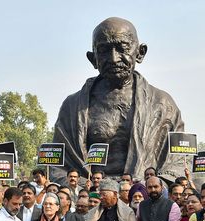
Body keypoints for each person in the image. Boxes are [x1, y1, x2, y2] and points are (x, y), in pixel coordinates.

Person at [52, 17, 184, 180]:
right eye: (104, 50)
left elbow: (177, 163)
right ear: (93, 59)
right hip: (89, 192)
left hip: (143, 193)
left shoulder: (162, 104)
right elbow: (58, 167)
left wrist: (149, 187)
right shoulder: (72, 107)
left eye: (122, 48)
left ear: (140, 53)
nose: (114, 59)